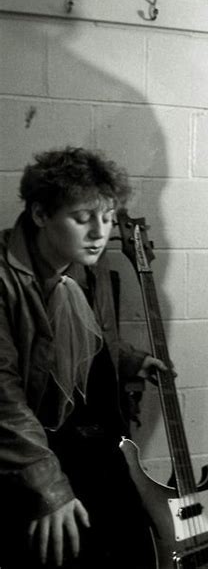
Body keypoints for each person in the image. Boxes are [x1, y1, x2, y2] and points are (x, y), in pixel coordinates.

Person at [0, 147, 168, 568]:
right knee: (70, 538)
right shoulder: (4, 280)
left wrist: (129, 360)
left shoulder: (82, 267)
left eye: (108, 217)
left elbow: (87, 341)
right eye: (83, 218)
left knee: (132, 527)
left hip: (71, 428)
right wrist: (48, 487)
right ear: (40, 215)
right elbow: (3, 395)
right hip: (21, 443)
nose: (99, 232)